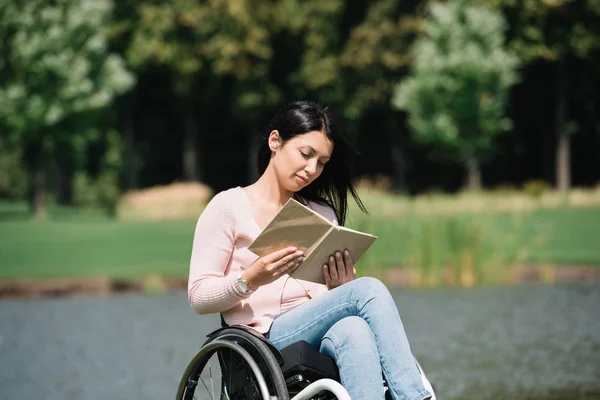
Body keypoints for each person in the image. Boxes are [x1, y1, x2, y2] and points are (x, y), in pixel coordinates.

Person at [188, 100, 434, 400]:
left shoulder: (321, 213)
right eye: (306, 154)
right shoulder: (228, 208)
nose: (312, 169)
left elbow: (327, 303)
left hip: (316, 335)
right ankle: (414, 396)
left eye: (321, 162)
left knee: (355, 330)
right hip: (263, 340)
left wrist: (339, 289)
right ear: (275, 141)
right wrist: (250, 278)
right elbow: (199, 297)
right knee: (368, 289)